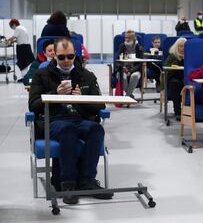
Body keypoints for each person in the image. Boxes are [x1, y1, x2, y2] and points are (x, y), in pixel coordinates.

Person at [29, 38, 113, 205]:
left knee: (96, 129)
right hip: (54, 119)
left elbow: (100, 104)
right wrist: (55, 94)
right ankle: (67, 184)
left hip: (80, 118)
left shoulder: (86, 75)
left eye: (70, 56)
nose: (66, 61)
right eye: (61, 57)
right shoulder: (41, 75)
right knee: (68, 130)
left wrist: (82, 99)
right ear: (54, 56)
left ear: (75, 55)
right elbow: (33, 105)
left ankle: (87, 181)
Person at [116, 30, 144, 98]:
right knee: (122, 76)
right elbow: (116, 60)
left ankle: (127, 97)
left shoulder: (139, 47)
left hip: (135, 70)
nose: (127, 39)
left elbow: (141, 63)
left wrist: (131, 71)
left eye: (129, 38)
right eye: (126, 38)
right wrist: (122, 68)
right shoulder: (122, 46)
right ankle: (129, 96)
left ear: (134, 38)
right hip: (122, 69)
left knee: (134, 76)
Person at [164, 37, 186, 119]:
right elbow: (167, 69)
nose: (183, 48)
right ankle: (178, 111)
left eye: (184, 46)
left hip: (185, 78)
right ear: (177, 47)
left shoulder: (190, 56)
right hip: (173, 77)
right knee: (175, 83)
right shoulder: (172, 56)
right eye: (181, 46)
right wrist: (179, 60)